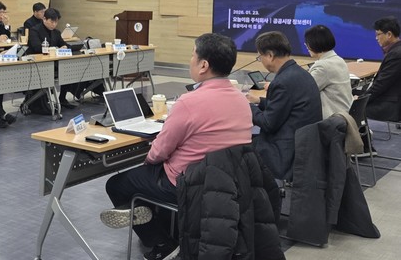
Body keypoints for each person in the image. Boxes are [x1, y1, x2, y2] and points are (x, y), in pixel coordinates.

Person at [102, 33, 252, 260]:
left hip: (187, 184)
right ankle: (159, 222)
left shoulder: (189, 102)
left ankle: (162, 243)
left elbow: (160, 151)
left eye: (192, 55)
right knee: (148, 179)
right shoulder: (241, 99)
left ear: (203, 65)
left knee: (117, 184)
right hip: (229, 182)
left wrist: (148, 161)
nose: (190, 60)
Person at [246, 31, 321, 181]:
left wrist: (247, 107)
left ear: (270, 55)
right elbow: (287, 105)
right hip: (304, 145)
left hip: (285, 150)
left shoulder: (282, 82)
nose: (260, 61)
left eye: (260, 57)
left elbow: (268, 124)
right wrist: (259, 101)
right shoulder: (299, 73)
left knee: (235, 149)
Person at [26, 7, 81, 108]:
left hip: (53, 62)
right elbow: (36, 47)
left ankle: (62, 98)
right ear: (44, 19)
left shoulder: (56, 32)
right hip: (38, 64)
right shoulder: (35, 30)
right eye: (52, 22)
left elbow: (64, 44)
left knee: (70, 68)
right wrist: (55, 49)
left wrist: (65, 47)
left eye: (56, 22)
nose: (54, 24)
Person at [304, 24, 352, 119]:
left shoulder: (322, 66)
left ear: (314, 43)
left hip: (331, 120)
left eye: (307, 43)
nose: (306, 46)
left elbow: (304, 91)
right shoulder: (339, 60)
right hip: (344, 115)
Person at [365, 16, 401, 123]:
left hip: (391, 105)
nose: (376, 38)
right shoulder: (396, 51)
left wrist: (362, 99)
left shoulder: (396, 54)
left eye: (378, 34)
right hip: (390, 98)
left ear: (389, 34)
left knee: (353, 110)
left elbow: (381, 84)